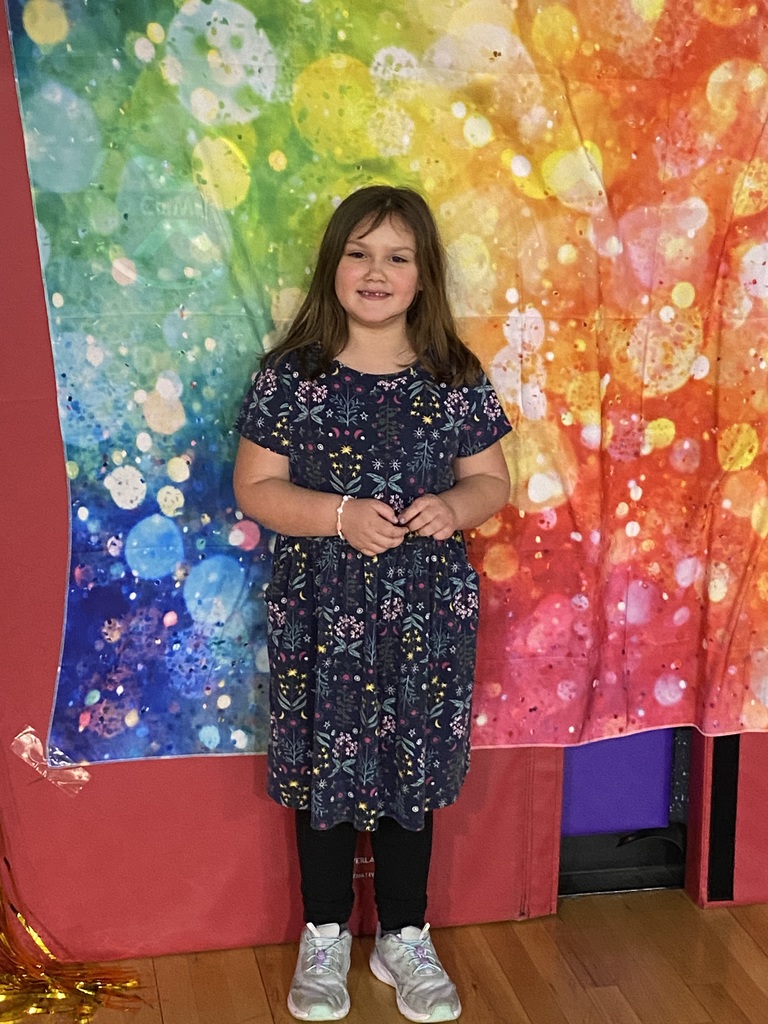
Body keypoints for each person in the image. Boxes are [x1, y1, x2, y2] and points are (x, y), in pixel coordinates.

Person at [233, 185, 511, 1022]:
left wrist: (454, 507)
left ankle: (404, 935)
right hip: (322, 612)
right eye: (359, 253)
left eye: (397, 256)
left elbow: (491, 480)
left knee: (408, 770)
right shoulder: (292, 376)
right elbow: (256, 487)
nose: (376, 271)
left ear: (424, 275)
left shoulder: (455, 376)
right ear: (333, 266)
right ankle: (323, 934)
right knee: (326, 766)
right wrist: (339, 517)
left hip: (425, 613)